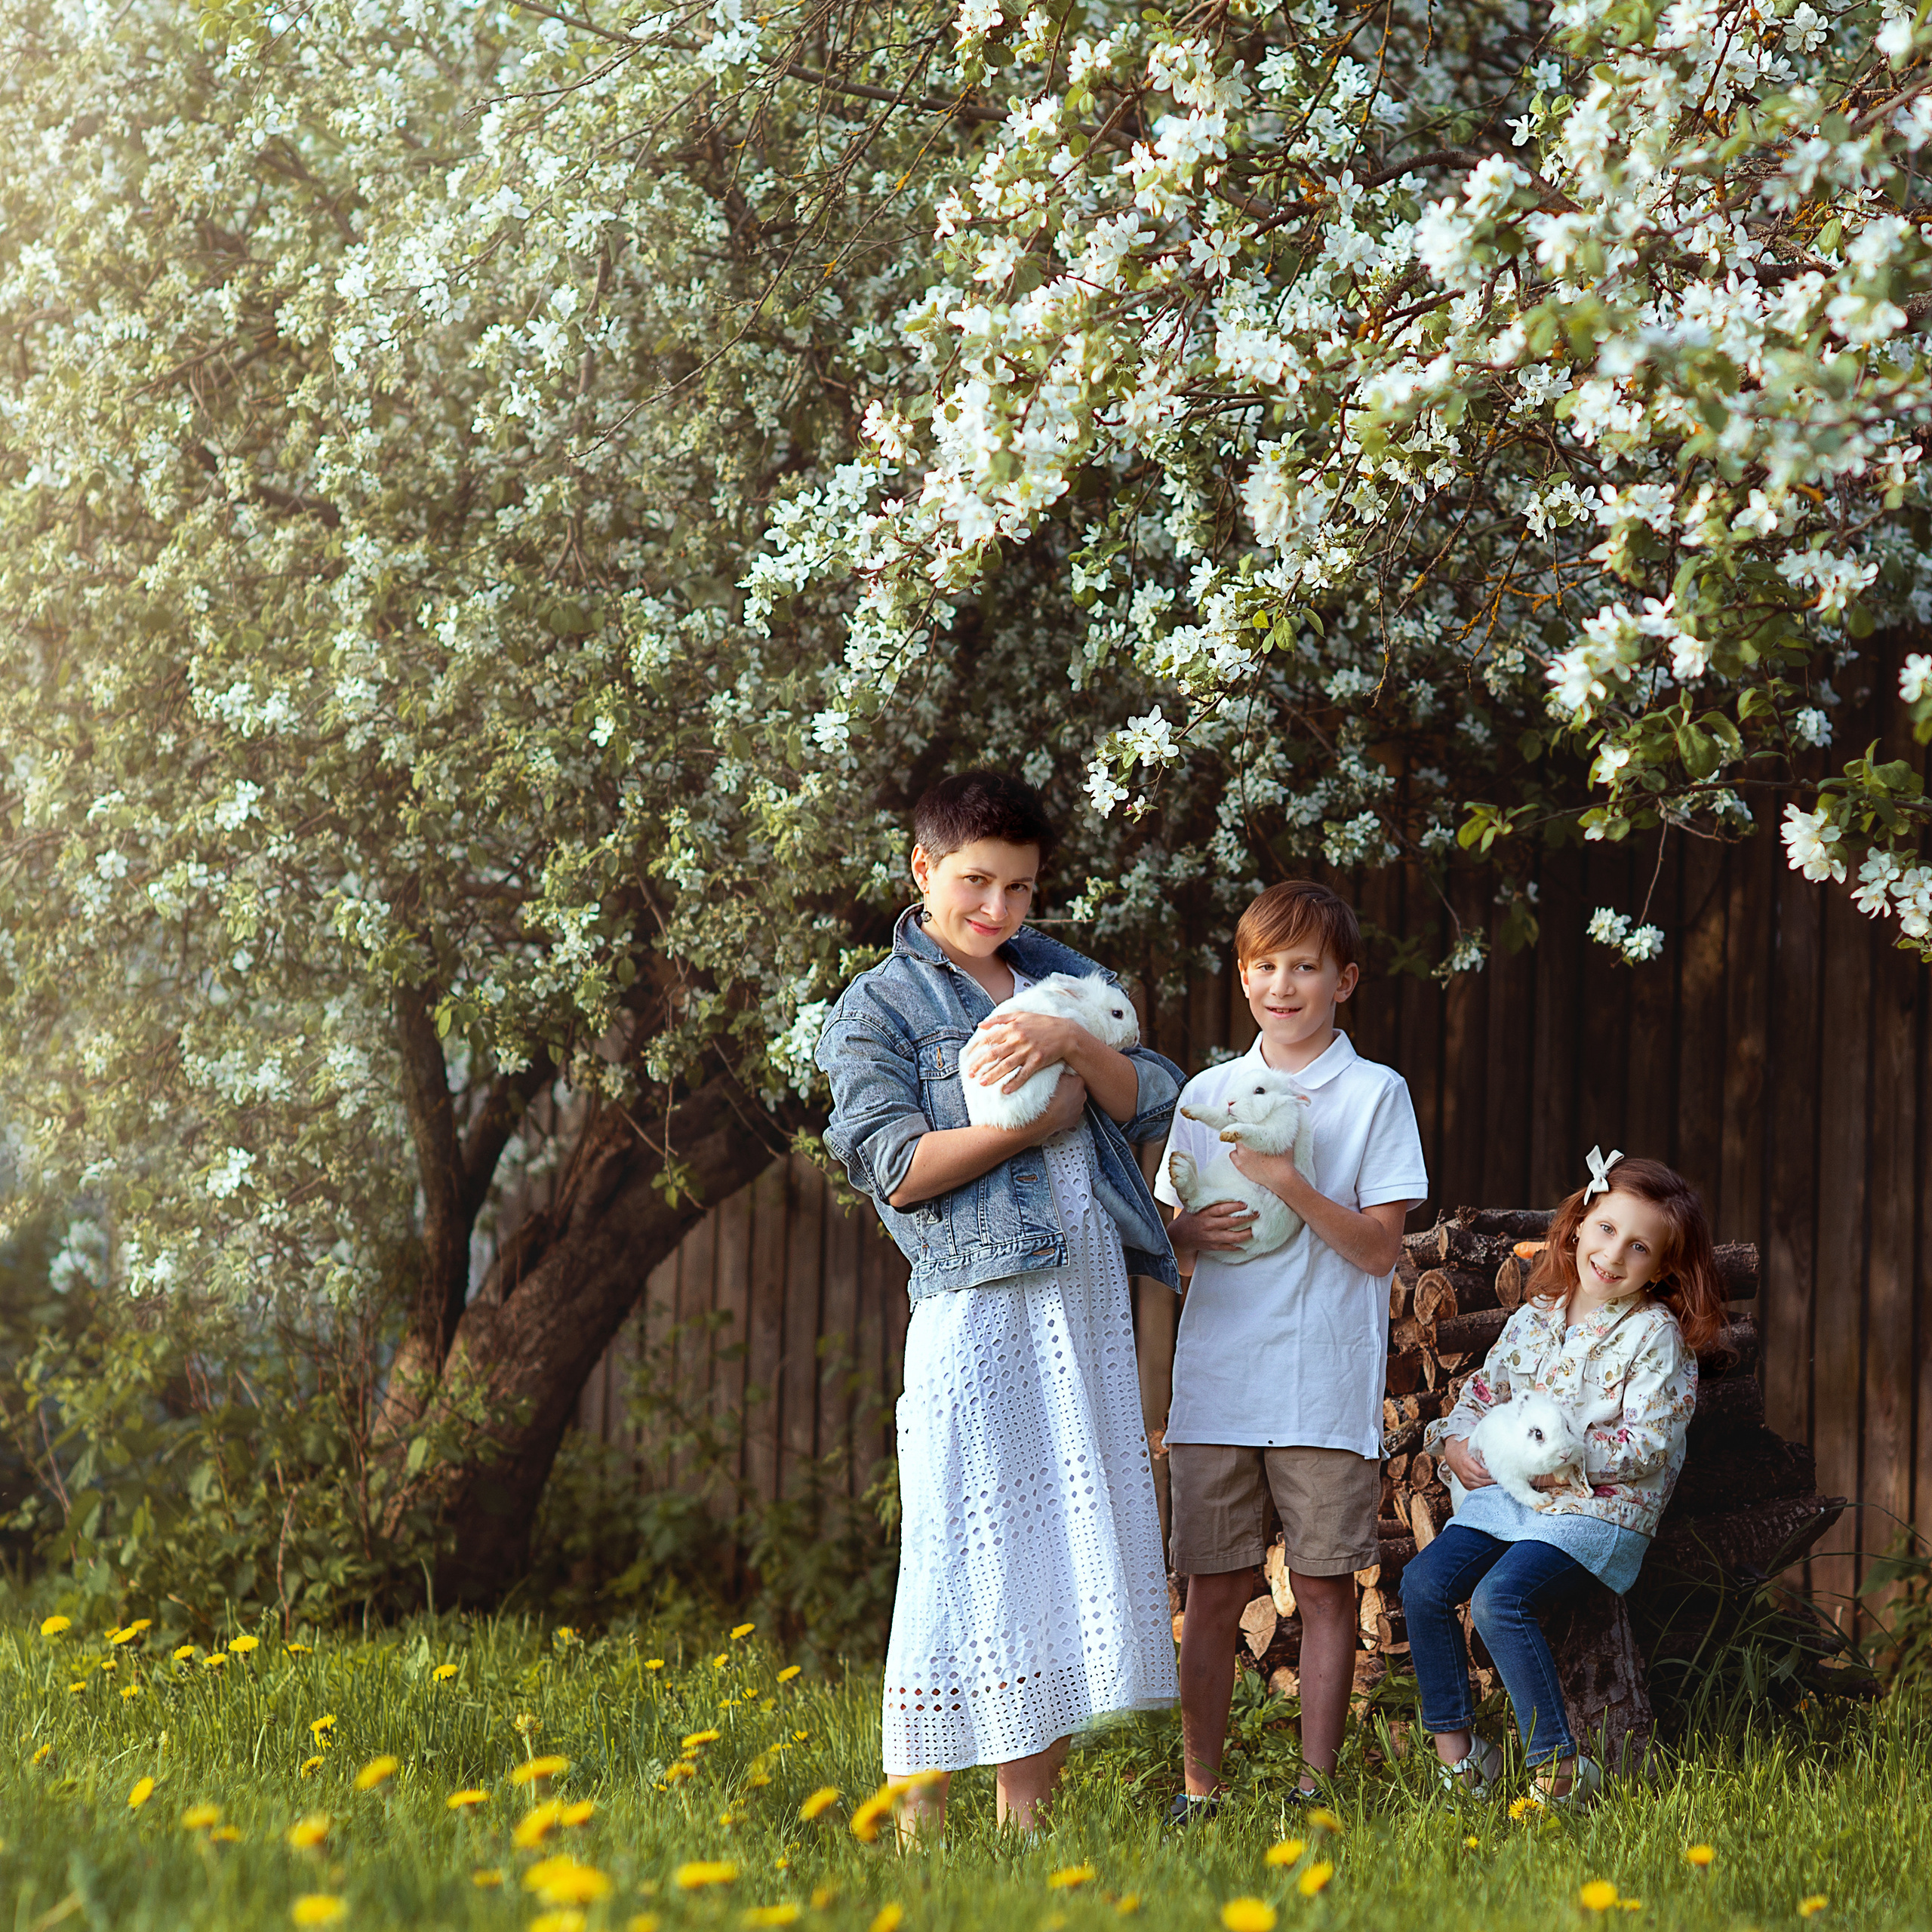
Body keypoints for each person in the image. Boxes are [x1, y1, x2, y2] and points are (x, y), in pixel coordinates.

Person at [815, 771, 1185, 1837]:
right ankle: (920, 1828)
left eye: (1020, 887)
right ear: (923, 868)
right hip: (978, 1303)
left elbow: (1152, 1096)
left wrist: (1072, 1044)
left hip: (1087, 1298)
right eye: (976, 882)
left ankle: (1027, 1826)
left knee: (1058, 1552)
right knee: (952, 1549)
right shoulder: (880, 1007)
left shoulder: (1061, 974)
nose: (998, 908)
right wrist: (1031, 1125)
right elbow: (897, 1169)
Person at [1152, 881, 1429, 1821]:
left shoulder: (1374, 1093)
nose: (1283, 984)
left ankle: (1315, 1790)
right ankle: (1199, 1789)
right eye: (1265, 966)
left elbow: (1378, 1250)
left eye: (1304, 967)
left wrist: (1288, 1181)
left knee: (1320, 1587)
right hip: (1218, 1380)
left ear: (1342, 980)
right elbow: (1169, 1240)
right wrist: (1184, 1235)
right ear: (1242, 976)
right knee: (1212, 1587)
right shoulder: (1205, 1094)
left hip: (1320, 1380)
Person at [1402, 1151, 1724, 1807]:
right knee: (1423, 1583)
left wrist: (1556, 1465)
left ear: (1662, 1266)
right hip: (1512, 1500)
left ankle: (1560, 1768)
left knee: (1499, 1601)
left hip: (1598, 1509)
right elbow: (1484, 1392)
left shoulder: (1654, 1336)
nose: (1614, 1255)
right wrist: (1457, 1442)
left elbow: (1649, 1443)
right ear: (1578, 1225)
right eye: (1606, 1229)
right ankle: (1462, 1762)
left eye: (1639, 1247)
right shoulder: (1536, 1317)